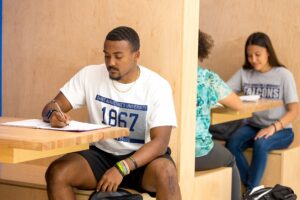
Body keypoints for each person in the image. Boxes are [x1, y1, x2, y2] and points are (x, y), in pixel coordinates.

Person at [42, 26, 182, 200]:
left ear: (136, 56)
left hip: (142, 160)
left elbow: (160, 143)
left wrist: (121, 168)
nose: (111, 62)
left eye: (118, 56)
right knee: (57, 172)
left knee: (167, 174)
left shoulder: (157, 86)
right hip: (101, 156)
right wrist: (53, 114)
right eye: (107, 55)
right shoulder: (90, 75)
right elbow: (51, 106)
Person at [226, 32, 299, 191]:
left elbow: (294, 110)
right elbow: (223, 91)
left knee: (261, 143)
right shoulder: (245, 73)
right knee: (231, 144)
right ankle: (254, 189)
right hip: (253, 126)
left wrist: (272, 128)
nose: (253, 60)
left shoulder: (283, 75)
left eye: (257, 54)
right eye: (249, 55)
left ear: (268, 52)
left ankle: (251, 192)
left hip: (282, 130)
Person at [195, 30, 243, 200]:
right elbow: (238, 105)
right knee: (231, 159)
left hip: (164, 149)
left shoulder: (162, 74)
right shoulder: (207, 78)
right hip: (196, 152)